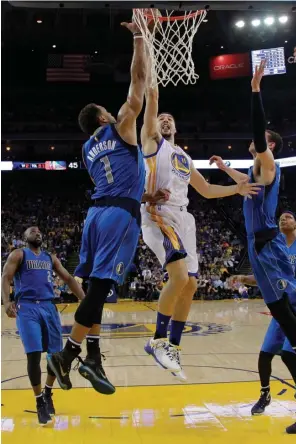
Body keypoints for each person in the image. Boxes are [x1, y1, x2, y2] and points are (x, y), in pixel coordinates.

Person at [47, 16, 168, 395]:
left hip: (96, 215)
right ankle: (67, 356)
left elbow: (113, 181)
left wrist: (145, 196)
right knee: (100, 291)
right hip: (118, 217)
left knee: (95, 288)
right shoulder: (119, 126)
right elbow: (138, 85)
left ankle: (94, 359)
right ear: (103, 117)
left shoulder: (87, 150)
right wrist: (138, 38)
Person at [210, 60, 296, 403]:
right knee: (276, 308)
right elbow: (244, 183)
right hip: (255, 242)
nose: (254, 142)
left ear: (269, 146)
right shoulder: (254, 172)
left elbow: (258, 131)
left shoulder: (268, 164)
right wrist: (222, 167)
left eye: (260, 141)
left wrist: (256, 91)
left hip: (266, 241)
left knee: (283, 305)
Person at [140, 80, 261, 381]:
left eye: (171, 119)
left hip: (185, 218)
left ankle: (174, 346)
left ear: (176, 128)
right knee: (178, 276)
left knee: (191, 284)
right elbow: (151, 111)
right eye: (161, 118)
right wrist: (152, 95)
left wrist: (237, 188)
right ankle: (156, 340)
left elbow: (205, 190)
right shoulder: (152, 143)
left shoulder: (183, 156)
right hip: (159, 215)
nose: (165, 120)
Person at [230, 211, 296, 434]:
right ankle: (265, 394)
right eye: (281, 217)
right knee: (265, 354)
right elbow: (268, 280)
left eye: (288, 217)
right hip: (283, 308)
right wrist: (244, 279)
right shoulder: (274, 246)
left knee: (289, 355)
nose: (283, 219)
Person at [1, 227, 85, 426]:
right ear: (25, 237)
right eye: (32, 231)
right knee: (33, 354)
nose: (37, 232)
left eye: (39, 231)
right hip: (28, 308)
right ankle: (39, 402)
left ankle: (48, 392)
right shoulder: (19, 254)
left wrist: (84, 299)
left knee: (55, 357)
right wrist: (6, 301)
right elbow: (5, 277)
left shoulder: (50, 257)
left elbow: (68, 278)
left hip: (49, 307)